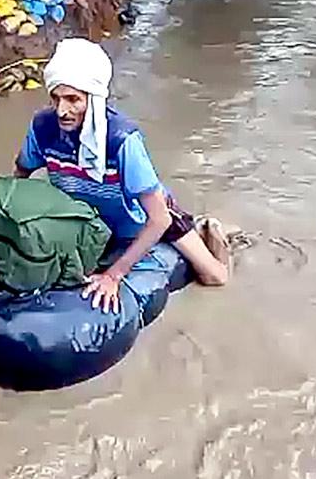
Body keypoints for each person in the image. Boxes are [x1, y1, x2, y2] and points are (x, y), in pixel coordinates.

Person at [14, 39, 230, 313]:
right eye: (56, 98)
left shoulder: (122, 139)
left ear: (93, 99)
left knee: (215, 278)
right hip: (92, 222)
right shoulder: (43, 127)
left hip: (144, 219)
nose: (62, 111)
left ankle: (205, 230)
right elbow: (20, 174)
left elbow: (159, 218)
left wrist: (114, 275)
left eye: (73, 100)